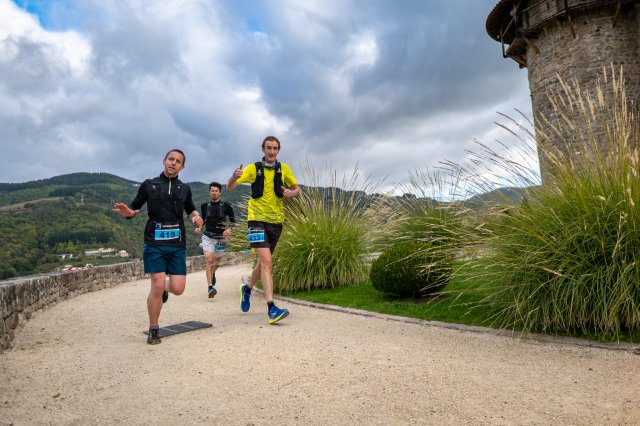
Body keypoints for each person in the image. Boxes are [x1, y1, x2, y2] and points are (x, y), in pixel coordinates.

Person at [112, 149, 203, 344]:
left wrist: (196, 217)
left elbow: (190, 209)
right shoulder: (149, 185)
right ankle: (154, 328)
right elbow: (134, 207)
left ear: (182, 167)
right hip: (154, 242)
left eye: (178, 161)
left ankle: (164, 289)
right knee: (157, 284)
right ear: (164, 161)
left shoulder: (185, 189)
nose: (173, 163)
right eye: (171, 159)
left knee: (178, 288)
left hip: (177, 244)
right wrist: (127, 212)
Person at [227, 135, 301, 324]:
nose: (271, 151)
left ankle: (247, 289)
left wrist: (292, 192)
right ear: (263, 149)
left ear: (278, 150)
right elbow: (230, 187)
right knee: (267, 262)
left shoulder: (284, 169)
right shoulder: (253, 169)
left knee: (262, 264)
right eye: (269, 148)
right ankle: (271, 308)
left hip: (276, 222)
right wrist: (233, 176)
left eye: (275, 148)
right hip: (256, 220)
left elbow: (297, 190)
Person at [195, 182, 236, 298]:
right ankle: (210, 287)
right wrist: (199, 228)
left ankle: (212, 274)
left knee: (216, 263)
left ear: (220, 193)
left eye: (216, 191)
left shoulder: (226, 206)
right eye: (212, 191)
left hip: (221, 239)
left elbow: (233, 222)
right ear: (209, 192)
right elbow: (203, 221)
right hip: (208, 236)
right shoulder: (204, 206)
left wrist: (229, 229)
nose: (214, 193)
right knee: (209, 260)